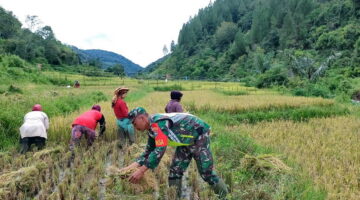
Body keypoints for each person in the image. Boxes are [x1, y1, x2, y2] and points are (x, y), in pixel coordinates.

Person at [121, 107, 228, 199]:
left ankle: (225, 197)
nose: (135, 127)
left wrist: (141, 171)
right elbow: (148, 152)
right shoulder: (151, 129)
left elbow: (160, 150)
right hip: (184, 140)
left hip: (198, 135)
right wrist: (129, 168)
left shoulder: (158, 124)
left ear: (142, 118)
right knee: (175, 172)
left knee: (206, 172)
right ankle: (176, 197)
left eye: (134, 124)